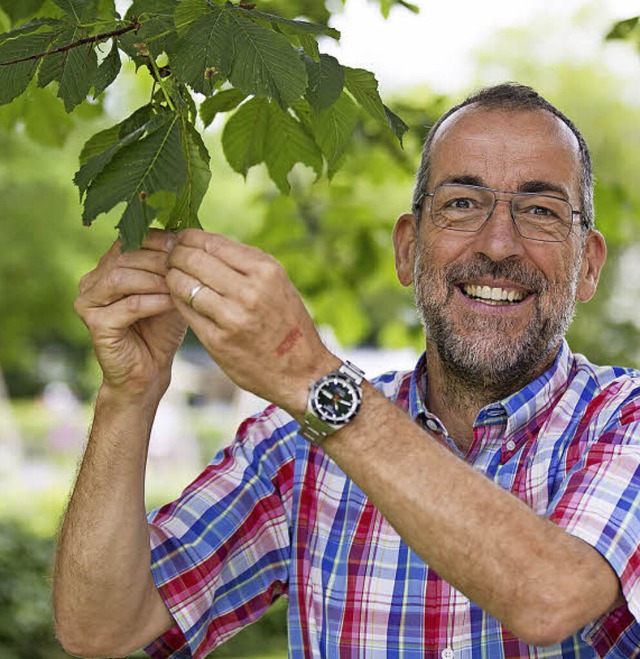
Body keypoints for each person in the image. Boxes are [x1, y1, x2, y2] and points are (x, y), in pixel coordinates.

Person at [53, 83, 640, 658]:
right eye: (462, 203)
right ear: (408, 249)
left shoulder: (625, 419)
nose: (497, 244)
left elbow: (552, 596)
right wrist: (129, 394)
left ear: (587, 264)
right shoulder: (295, 450)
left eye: (540, 211)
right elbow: (101, 628)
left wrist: (310, 377)